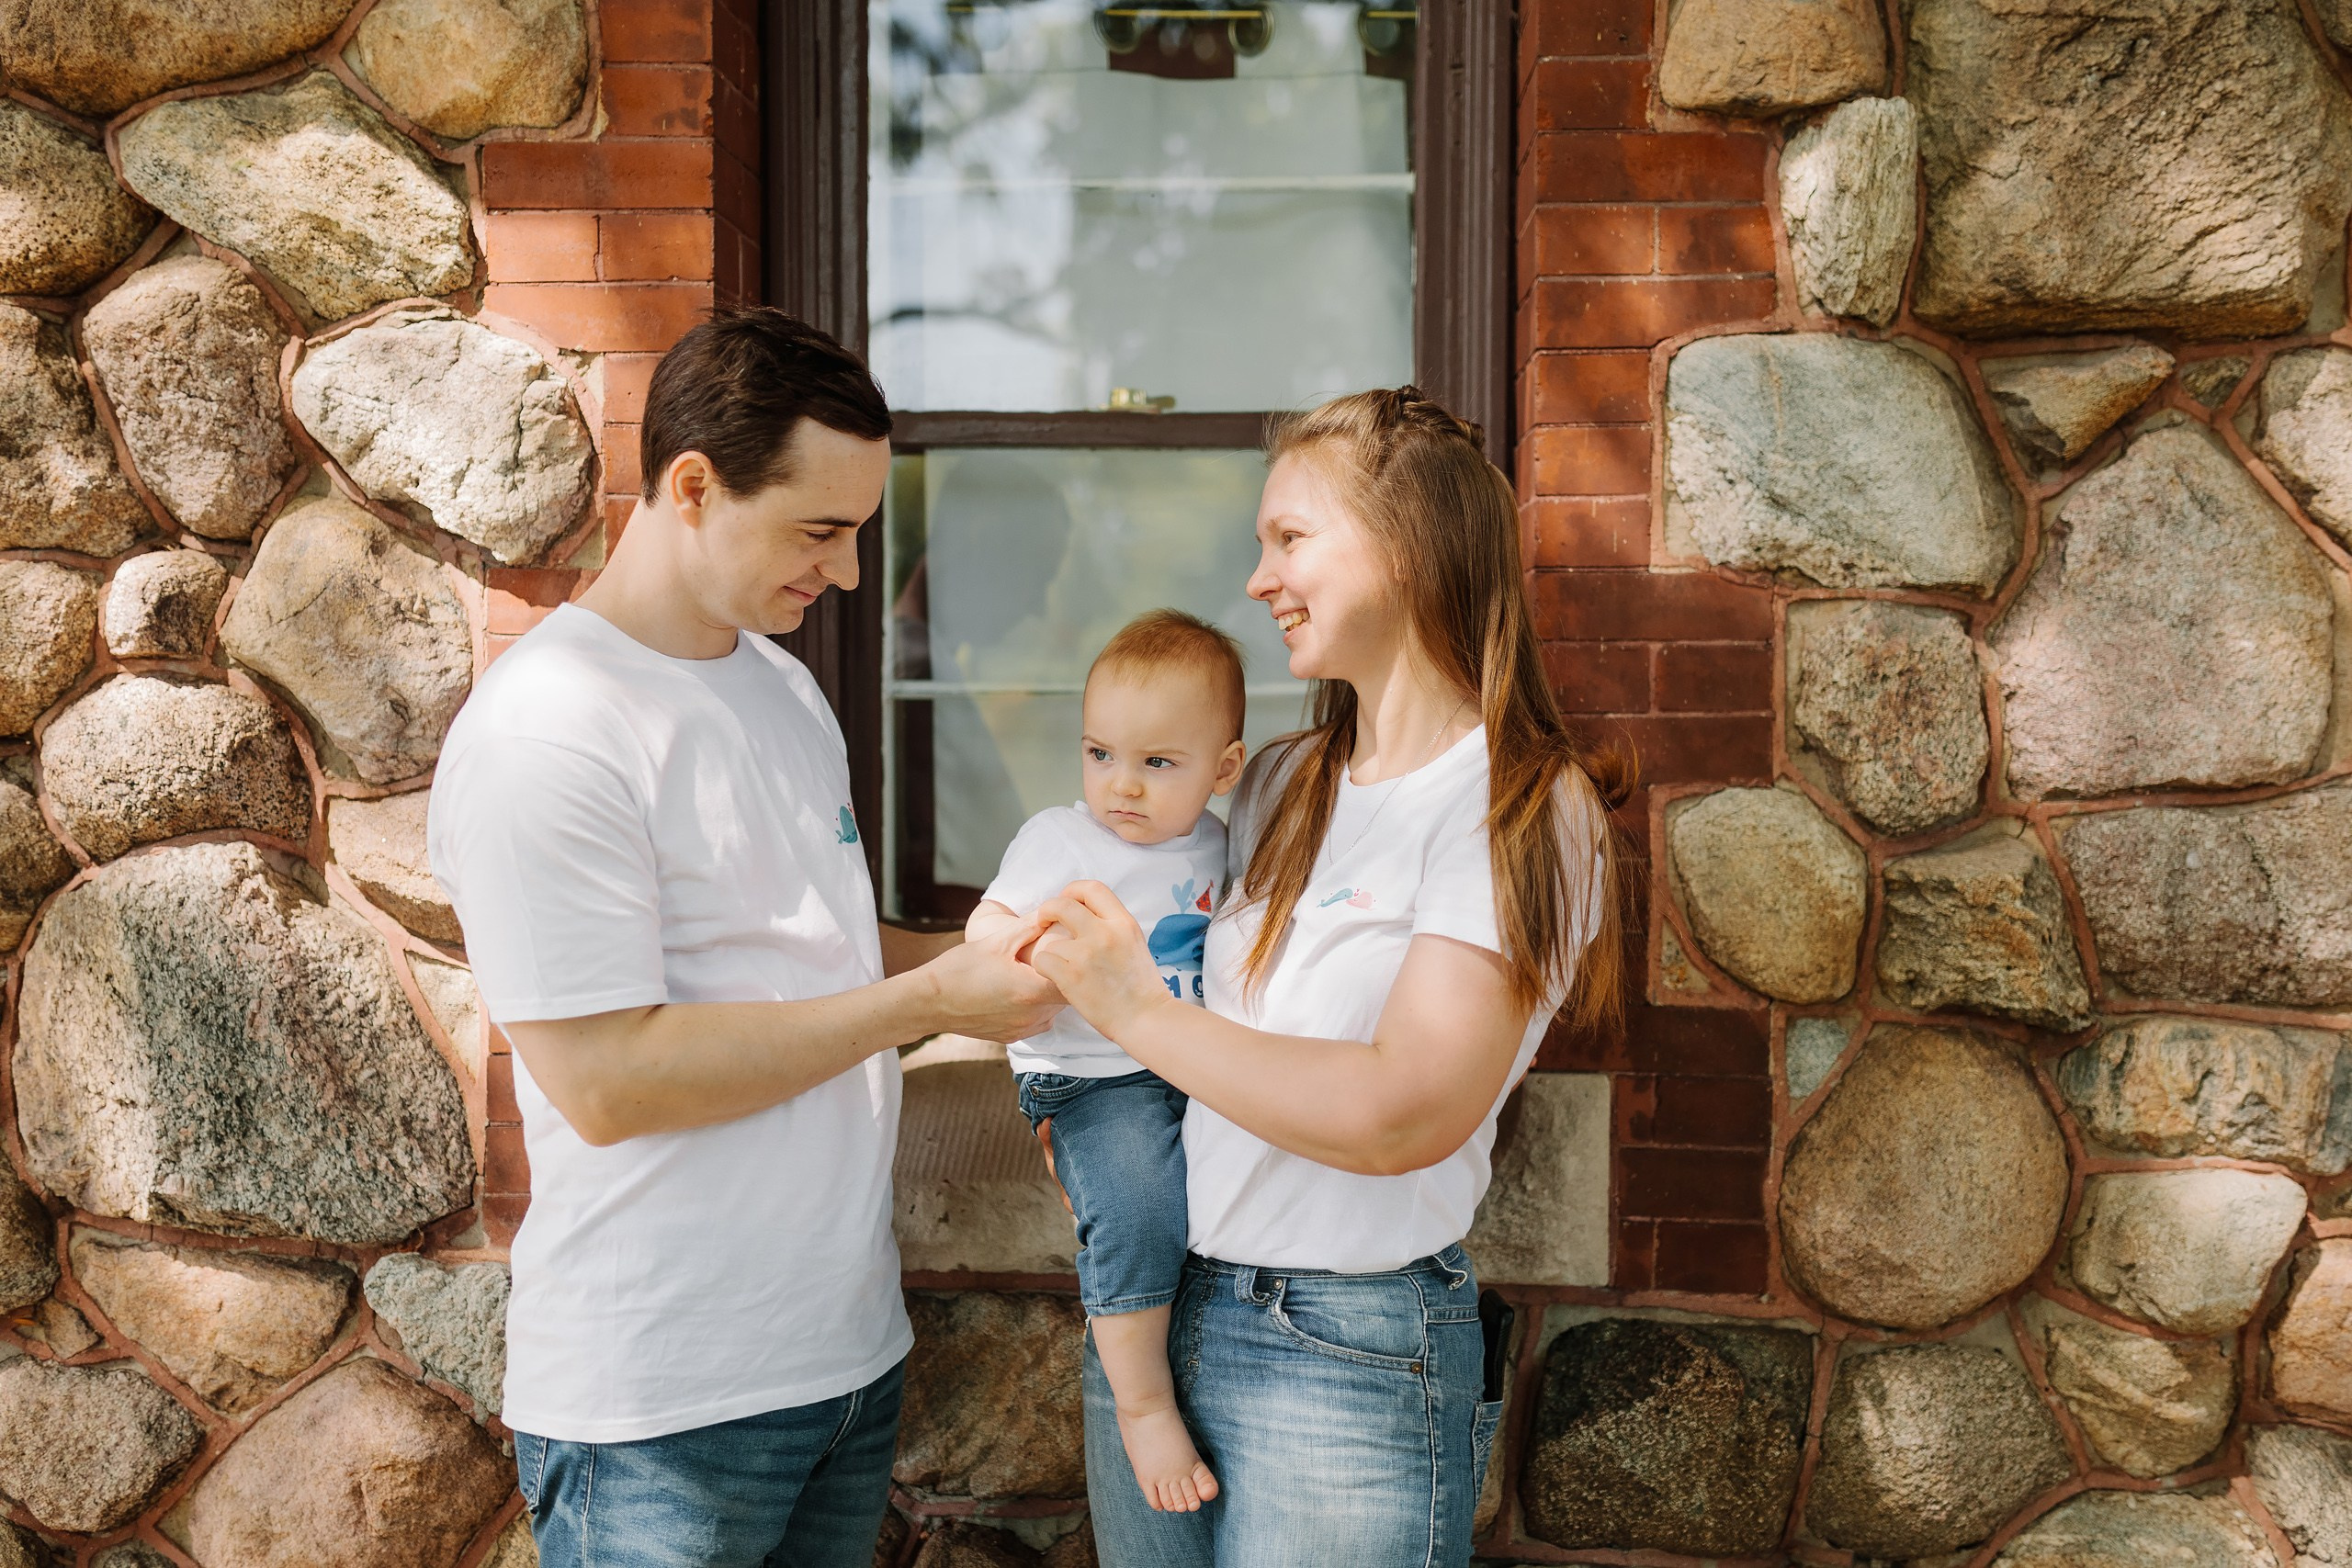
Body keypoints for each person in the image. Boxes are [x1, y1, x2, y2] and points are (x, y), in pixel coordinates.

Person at [426, 308, 1062, 1568]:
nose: (849, 573)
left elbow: (820, 944)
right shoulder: (548, 727)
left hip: (846, 1364)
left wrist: (995, 944)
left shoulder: (781, 685)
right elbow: (611, 1079)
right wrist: (934, 999)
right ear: (693, 487)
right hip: (664, 1412)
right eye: (819, 530)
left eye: (858, 532)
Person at [1025, 388, 1627, 1568]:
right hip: (1158, 1311)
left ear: (1407, 548)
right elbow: (1128, 945)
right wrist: (1085, 1116)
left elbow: (1401, 1111)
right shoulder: (1274, 784)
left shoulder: (1521, 807)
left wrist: (1130, 1011)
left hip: (1343, 1351)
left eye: (1289, 538)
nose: (1258, 579)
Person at [966, 610, 1248, 1516]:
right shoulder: (1063, 839)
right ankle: (1144, 1404)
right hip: (1093, 1073)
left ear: (1224, 769)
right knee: (1135, 1207)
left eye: (1157, 762)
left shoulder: (1222, 843)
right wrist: (1031, 950)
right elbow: (986, 929)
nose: (1121, 784)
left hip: (1187, 1061)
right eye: (1100, 754)